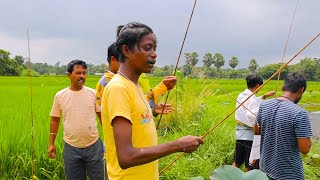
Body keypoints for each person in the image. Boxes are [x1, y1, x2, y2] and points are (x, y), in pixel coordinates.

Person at [101, 22, 204, 179]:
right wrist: (178, 145)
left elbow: (136, 121)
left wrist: (152, 111)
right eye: (147, 48)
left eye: (154, 48)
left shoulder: (134, 87)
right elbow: (126, 157)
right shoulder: (118, 88)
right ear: (126, 50)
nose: (154, 54)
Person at [48, 60, 104, 180]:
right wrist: (51, 143)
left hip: (94, 146)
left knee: (99, 177)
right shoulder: (60, 96)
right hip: (71, 148)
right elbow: (54, 120)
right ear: (69, 75)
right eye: (78, 73)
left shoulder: (93, 94)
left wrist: (111, 141)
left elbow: (102, 118)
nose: (82, 76)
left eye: (84, 73)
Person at [254, 73, 313, 180]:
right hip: (288, 174)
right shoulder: (300, 113)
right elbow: (305, 149)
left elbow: (256, 131)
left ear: (283, 87)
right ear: (301, 90)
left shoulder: (264, 105)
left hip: (265, 169)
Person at [96, 42, 177, 118]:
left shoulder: (124, 80)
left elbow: (136, 104)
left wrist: (154, 110)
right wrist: (161, 87)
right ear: (113, 60)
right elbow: (127, 112)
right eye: (124, 61)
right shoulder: (112, 84)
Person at [232, 74, 275, 171]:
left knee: (237, 162)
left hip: (240, 135)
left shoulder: (242, 95)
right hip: (250, 138)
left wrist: (264, 96)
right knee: (250, 165)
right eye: (260, 86)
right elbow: (252, 115)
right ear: (257, 85)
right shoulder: (251, 99)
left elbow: (251, 101)